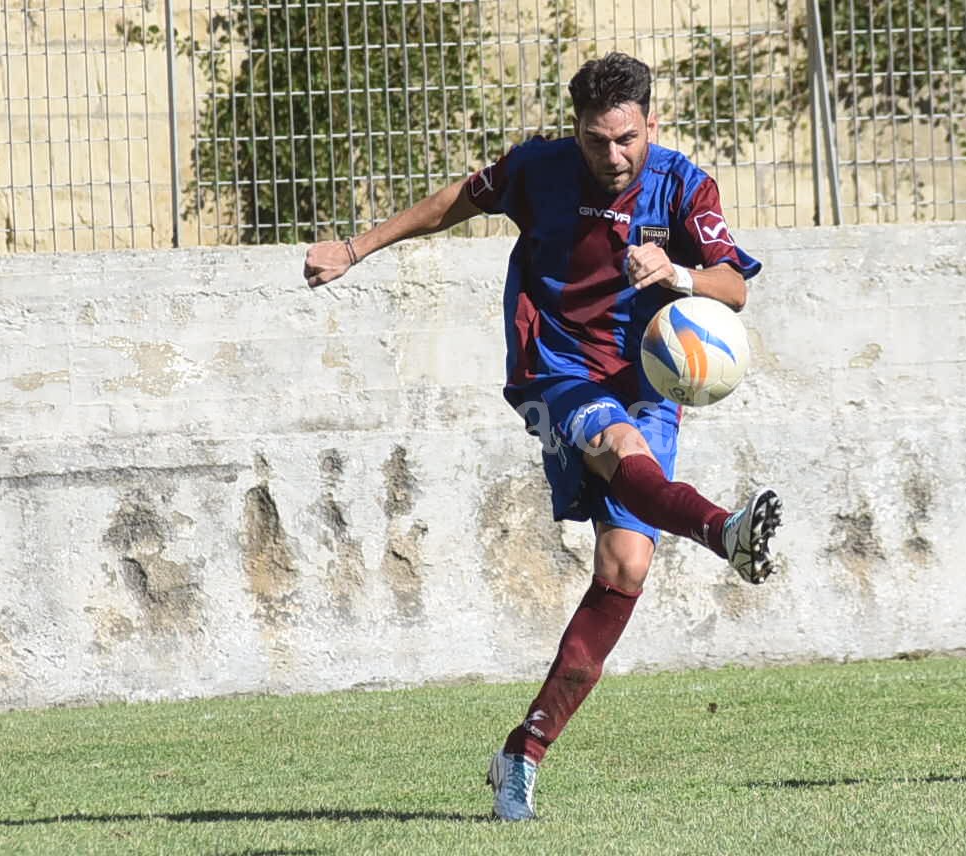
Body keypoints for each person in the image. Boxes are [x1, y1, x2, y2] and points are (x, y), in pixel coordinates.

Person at [302, 51, 781, 821]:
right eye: (597, 140)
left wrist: (678, 274)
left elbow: (735, 283)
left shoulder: (685, 185)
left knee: (624, 570)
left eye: (626, 138)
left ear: (651, 124)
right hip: (555, 370)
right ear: (576, 131)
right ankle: (721, 529)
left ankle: (521, 753)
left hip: (647, 379)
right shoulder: (540, 171)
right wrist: (355, 249)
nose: (613, 155)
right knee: (617, 447)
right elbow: (457, 199)